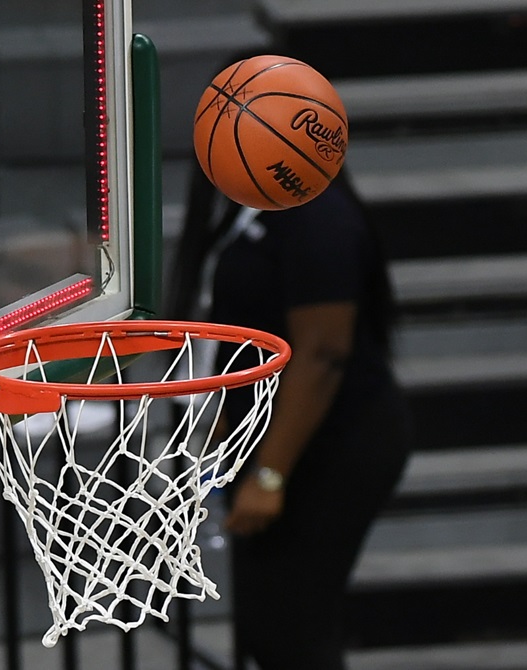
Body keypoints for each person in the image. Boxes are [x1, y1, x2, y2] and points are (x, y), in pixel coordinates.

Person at [166, 158, 414, 669]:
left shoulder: (315, 214)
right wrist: (226, 424)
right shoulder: (252, 204)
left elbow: (324, 354)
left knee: (294, 633)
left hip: (333, 445)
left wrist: (270, 475)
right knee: (270, 631)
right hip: (279, 442)